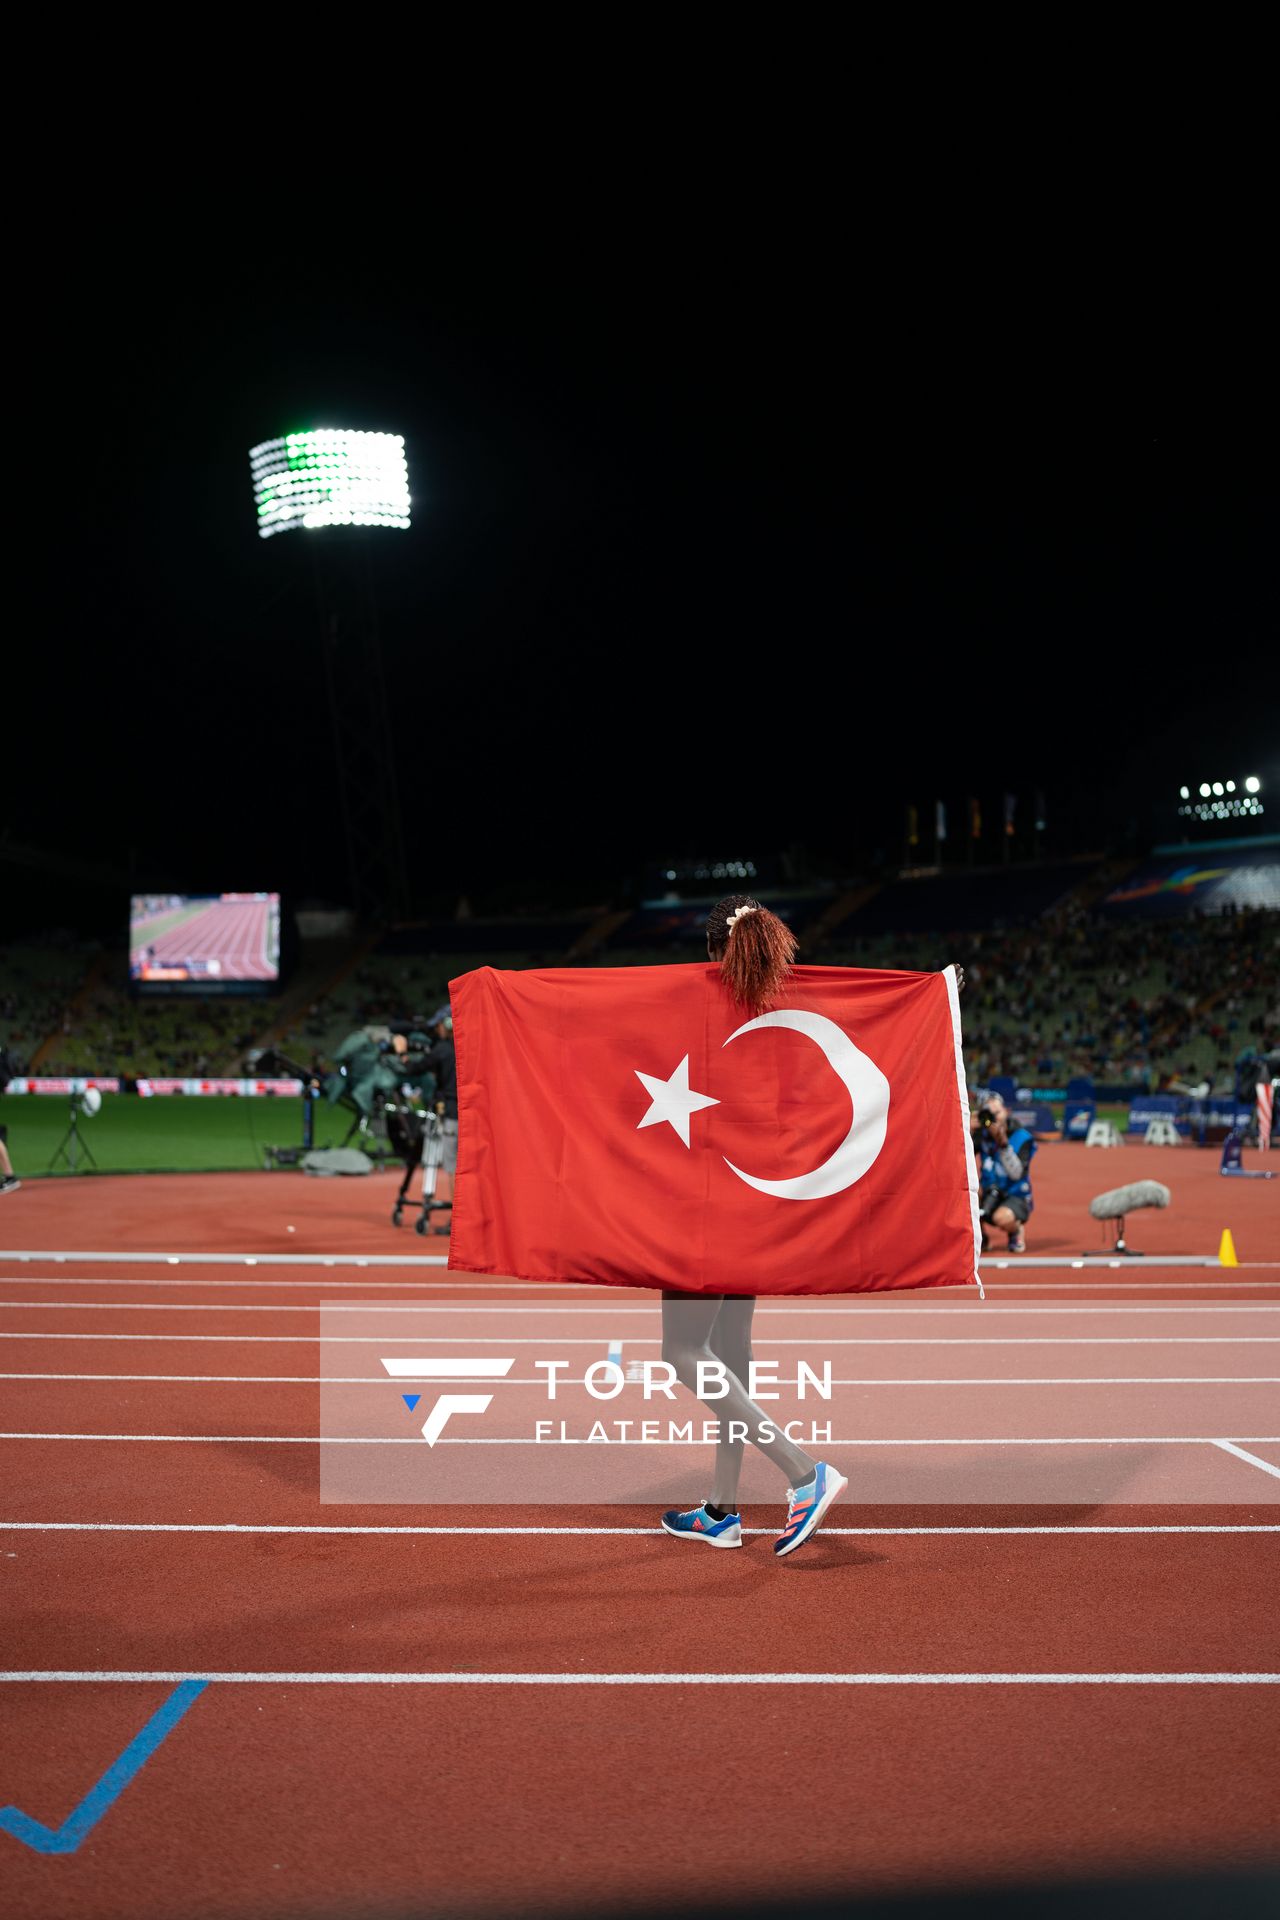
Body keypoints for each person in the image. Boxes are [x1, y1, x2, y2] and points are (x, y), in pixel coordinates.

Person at [658, 895, 966, 1558]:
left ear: (714, 951)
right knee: (729, 1361)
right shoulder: (792, 1008)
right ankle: (722, 1509)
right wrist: (930, 998)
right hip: (755, 1211)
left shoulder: (689, 1005)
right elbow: (864, 1025)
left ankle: (803, 1471)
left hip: (705, 1207)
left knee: (681, 1354)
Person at [972, 1089, 1035, 1253]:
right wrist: (966, 1130)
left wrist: (1003, 1144)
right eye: (989, 1115)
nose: (994, 1120)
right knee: (965, 1194)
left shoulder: (1022, 1137)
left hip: (1015, 1194)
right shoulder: (982, 1135)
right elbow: (960, 1159)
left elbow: (1016, 1174)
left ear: (1006, 1111)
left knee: (1001, 1218)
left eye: (998, 1112)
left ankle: (1015, 1231)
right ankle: (981, 1237)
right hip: (989, 1189)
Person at [422, 1007, 458, 1232]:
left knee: (454, 1166)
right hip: (476, 1115)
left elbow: (415, 1068)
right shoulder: (475, 1044)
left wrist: (403, 1056)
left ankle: (459, 1222)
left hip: (454, 1114)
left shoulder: (444, 1050)